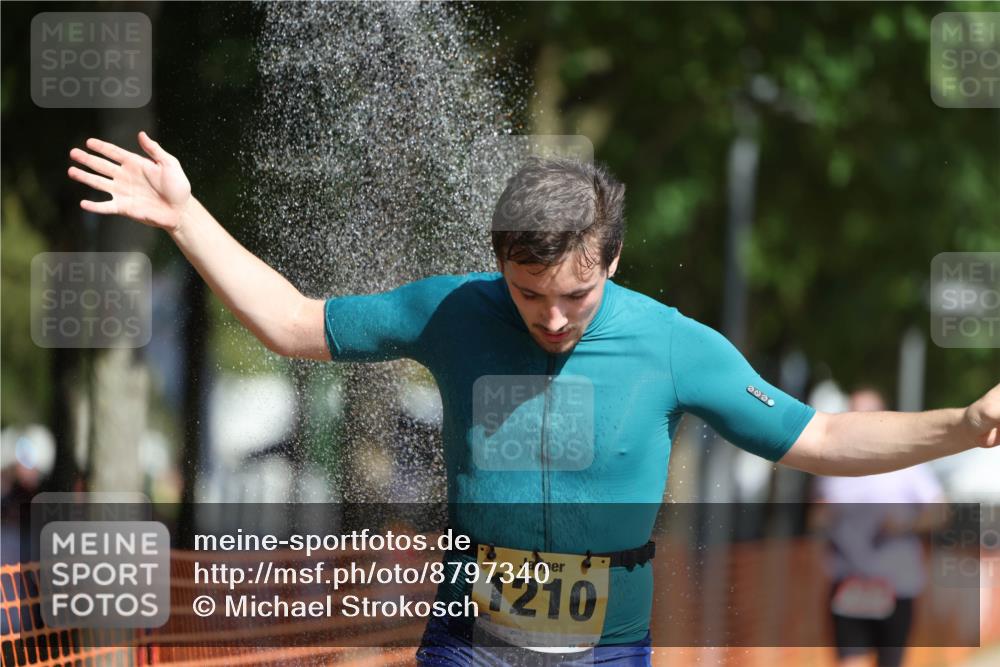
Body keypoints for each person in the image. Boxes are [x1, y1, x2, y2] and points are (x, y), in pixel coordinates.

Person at [67, 133, 999, 666]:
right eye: (529, 293)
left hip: (607, 650)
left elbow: (821, 433)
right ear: (497, 262)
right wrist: (186, 217)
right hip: (469, 641)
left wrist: (964, 423)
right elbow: (293, 322)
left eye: (576, 296)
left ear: (615, 260)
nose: (553, 318)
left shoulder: (673, 343)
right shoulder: (452, 310)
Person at [811, 388, 948, 667]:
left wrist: (904, 525)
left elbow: (940, 511)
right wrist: (822, 516)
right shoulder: (831, 467)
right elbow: (816, 518)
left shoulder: (907, 464)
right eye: (852, 412)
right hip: (848, 583)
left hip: (895, 585)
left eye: (865, 413)